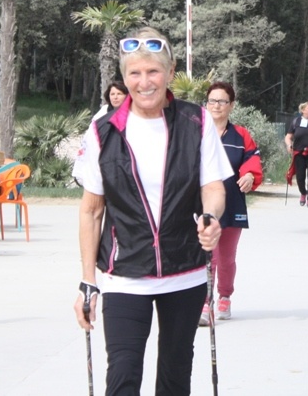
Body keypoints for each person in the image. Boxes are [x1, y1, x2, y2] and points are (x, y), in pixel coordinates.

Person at [72, 27, 230, 396]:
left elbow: (213, 188)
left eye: (153, 71)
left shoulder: (197, 122)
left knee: (175, 377)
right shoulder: (102, 131)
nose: (144, 82)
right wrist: (87, 282)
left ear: (170, 72)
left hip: (184, 272)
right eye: (135, 73)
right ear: (124, 77)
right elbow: (91, 212)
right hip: (125, 274)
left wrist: (211, 217)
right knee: (123, 376)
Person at [199, 81, 263, 326]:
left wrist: (249, 175)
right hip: (203, 204)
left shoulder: (241, 135)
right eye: (212, 101)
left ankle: (225, 296)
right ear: (206, 104)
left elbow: (251, 159)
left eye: (222, 101)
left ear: (231, 105)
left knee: (226, 258)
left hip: (233, 202)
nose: (217, 105)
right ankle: (206, 302)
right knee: (209, 255)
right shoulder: (196, 132)